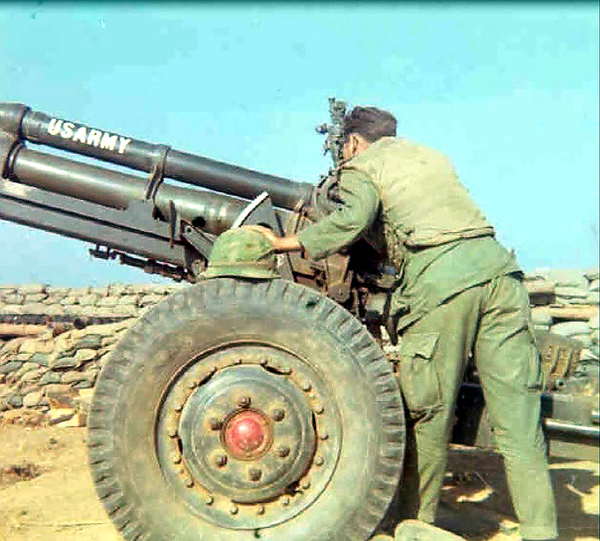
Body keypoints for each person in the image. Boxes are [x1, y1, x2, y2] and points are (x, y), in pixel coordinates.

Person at [259, 105, 558, 541]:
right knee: (518, 415)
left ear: (355, 143)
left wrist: (290, 242)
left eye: (344, 148)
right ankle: (541, 529)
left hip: (442, 284)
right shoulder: (430, 156)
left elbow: (354, 219)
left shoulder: (362, 165)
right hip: (500, 276)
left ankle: (416, 526)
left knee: (427, 412)